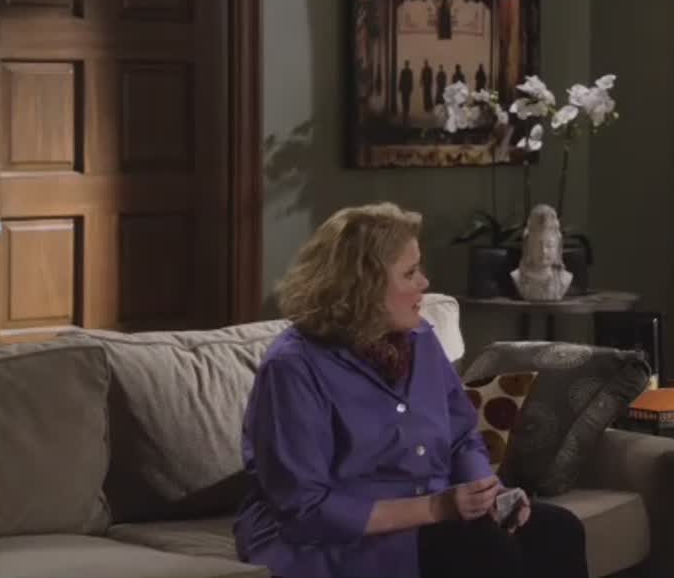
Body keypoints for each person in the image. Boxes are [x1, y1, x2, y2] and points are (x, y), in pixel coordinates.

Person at [234, 202, 588, 578]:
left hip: (434, 516)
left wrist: (490, 492)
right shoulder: (293, 367)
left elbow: (462, 437)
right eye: (410, 272)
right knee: (483, 549)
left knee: (558, 531)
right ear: (363, 287)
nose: (425, 283)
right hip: (332, 538)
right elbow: (305, 510)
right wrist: (437, 508)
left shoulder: (420, 339)